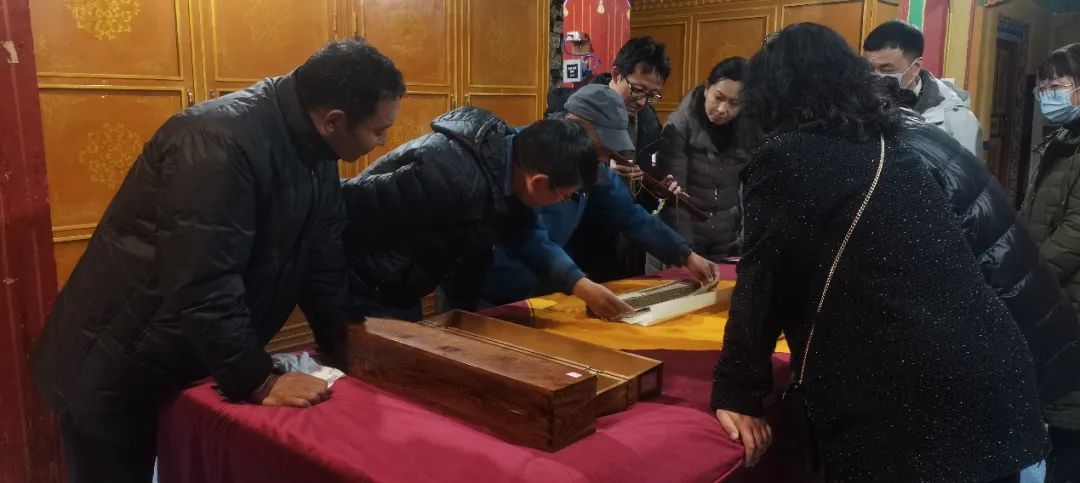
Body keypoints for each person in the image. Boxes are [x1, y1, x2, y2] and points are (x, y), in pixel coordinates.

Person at [29, 38, 404, 483]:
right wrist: (257, 380)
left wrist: (346, 349)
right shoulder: (216, 142)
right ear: (333, 120)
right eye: (379, 130)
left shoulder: (316, 151)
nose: (384, 142)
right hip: (116, 360)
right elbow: (203, 281)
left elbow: (322, 264)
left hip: (178, 351)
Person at [710, 23, 1047, 481]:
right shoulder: (889, 143)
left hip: (912, 403)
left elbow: (764, 281)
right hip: (994, 381)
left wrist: (737, 391)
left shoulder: (789, 155)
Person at [341, 110, 601, 320]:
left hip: (401, 287)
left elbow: (525, 234)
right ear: (540, 182)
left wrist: (578, 283)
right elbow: (350, 206)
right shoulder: (446, 173)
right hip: (365, 287)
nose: (563, 203)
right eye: (565, 196)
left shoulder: (509, 166)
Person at [474, 84, 716, 309]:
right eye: (601, 147)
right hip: (484, 288)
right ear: (577, 123)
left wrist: (685, 254)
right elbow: (525, 236)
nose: (605, 157)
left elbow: (630, 216)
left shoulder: (594, 167)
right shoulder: (520, 152)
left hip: (542, 287)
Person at [548, 36, 672, 282]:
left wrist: (659, 186)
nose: (642, 101)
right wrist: (601, 169)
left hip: (625, 237)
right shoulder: (579, 110)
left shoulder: (648, 120)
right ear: (616, 74)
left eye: (652, 95)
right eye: (637, 89)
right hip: (580, 239)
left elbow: (650, 170)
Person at [1021, 41, 1080, 483]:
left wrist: (1024, 279)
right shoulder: (1060, 141)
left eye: (1056, 85)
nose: (1047, 95)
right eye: (1042, 87)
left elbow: (1074, 235)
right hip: (1053, 301)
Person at [655, 57, 751, 263]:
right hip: (684, 244)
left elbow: (749, 191)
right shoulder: (680, 125)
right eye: (719, 97)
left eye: (734, 103)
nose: (722, 109)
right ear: (707, 88)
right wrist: (686, 252)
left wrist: (743, 242)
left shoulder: (749, 131)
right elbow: (675, 197)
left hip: (729, 246)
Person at [864, 19, 982, 156]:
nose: (875, 77)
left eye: (887, 70)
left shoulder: (958, 121)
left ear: (915, 67)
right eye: (868, 68)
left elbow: (967, 170)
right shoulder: (858, 103)